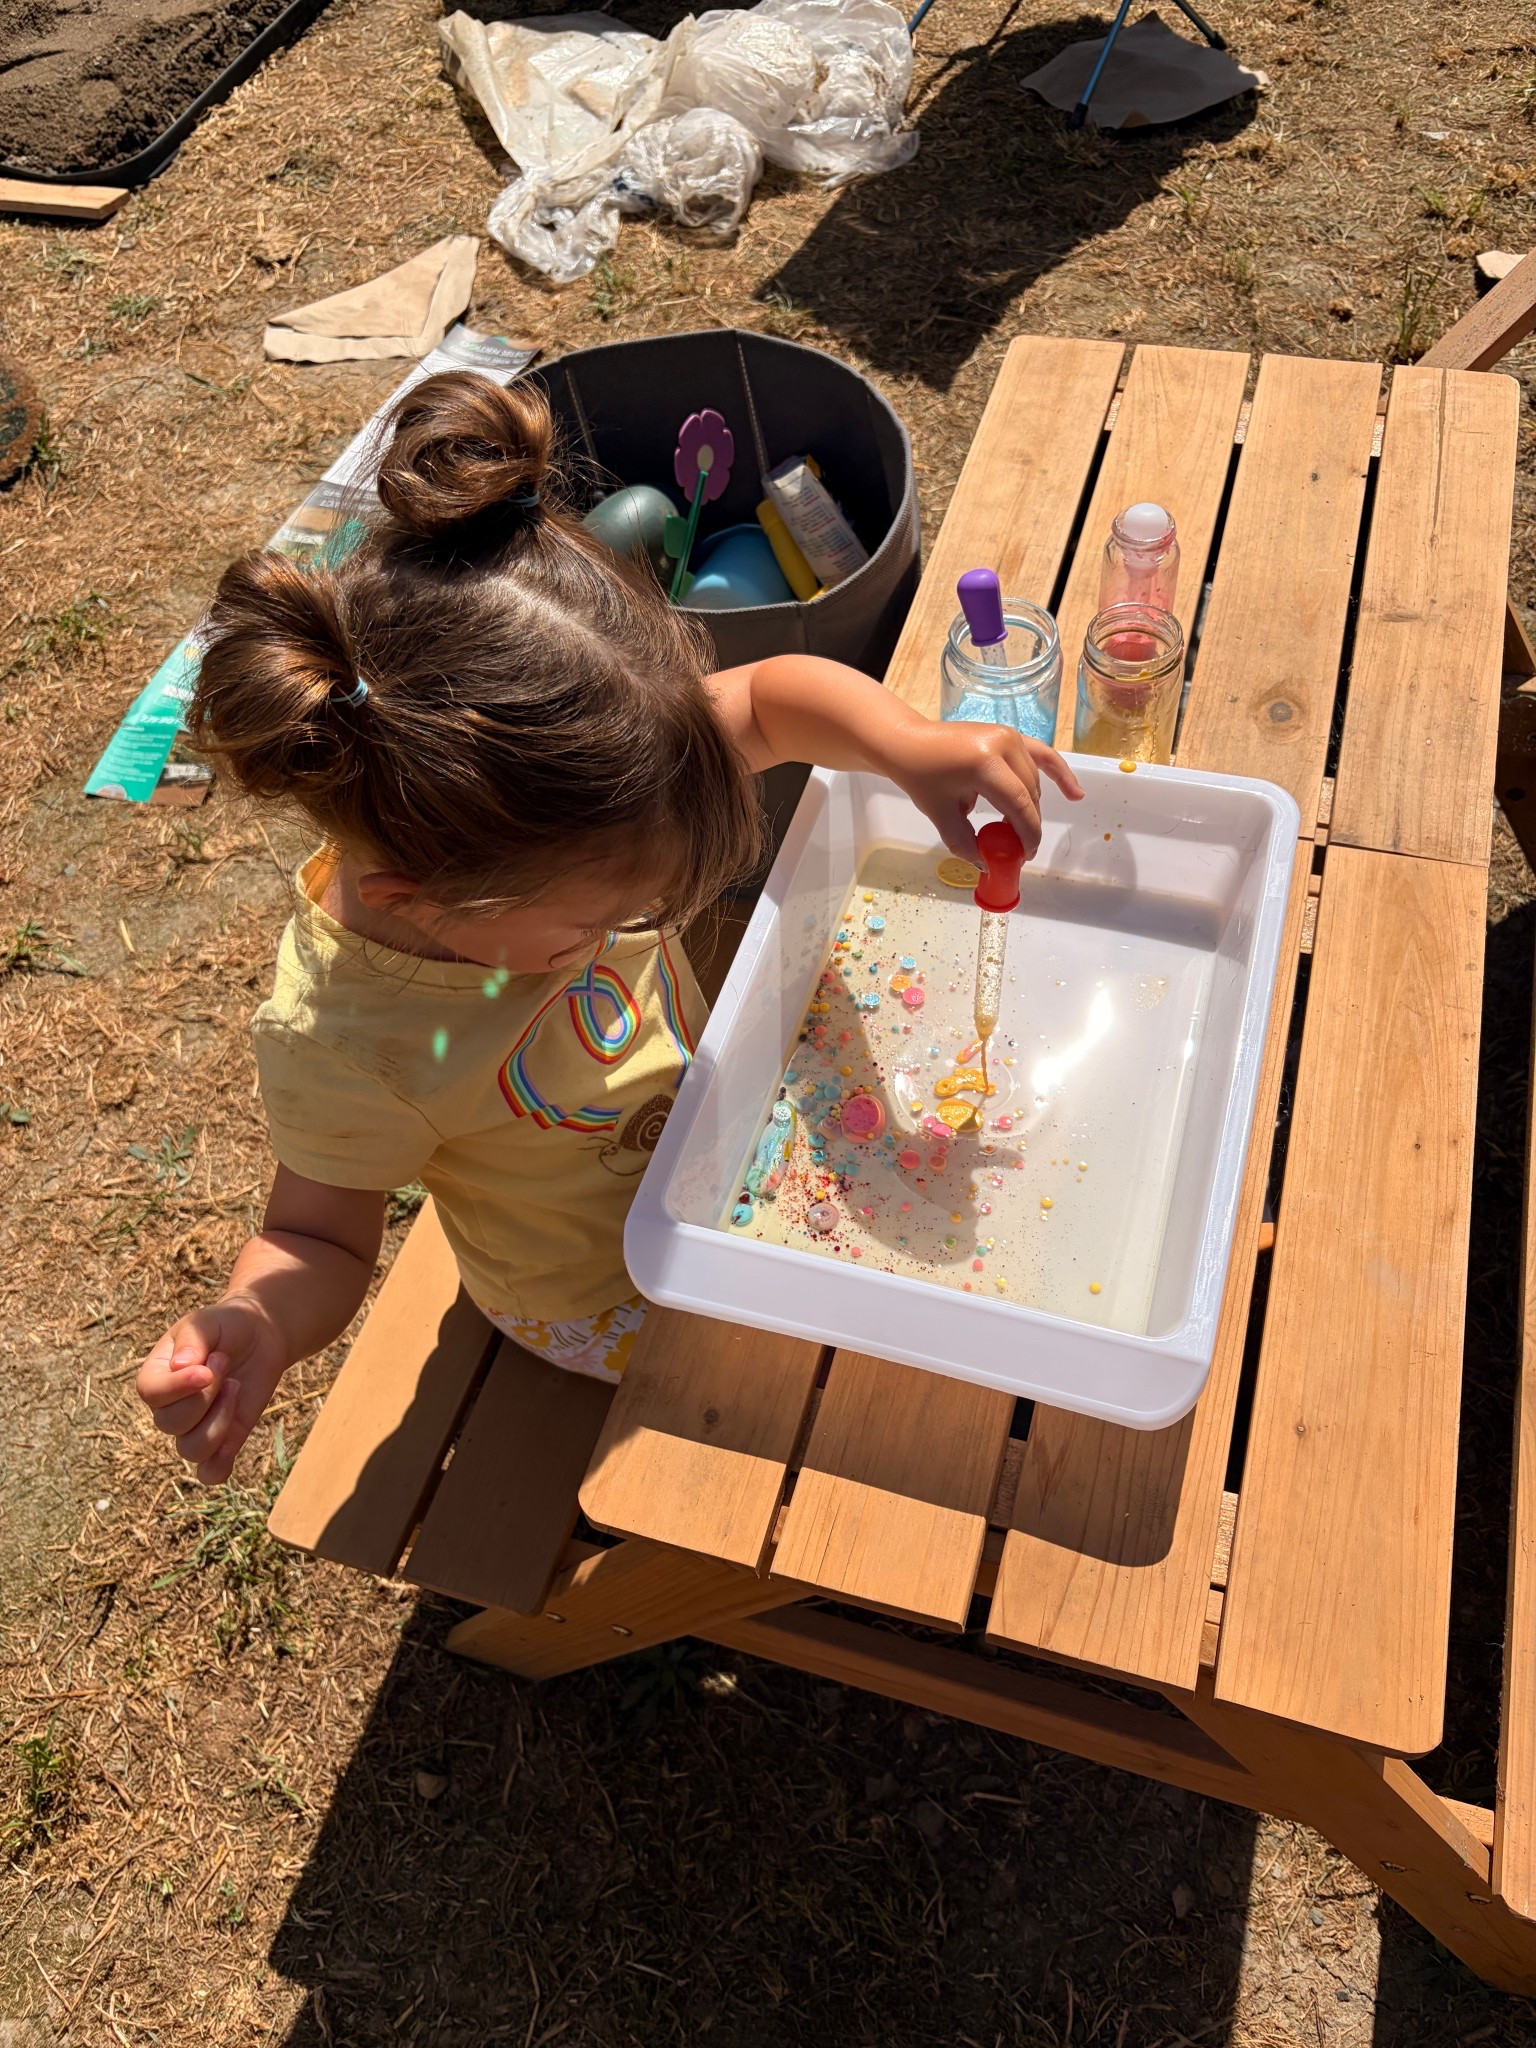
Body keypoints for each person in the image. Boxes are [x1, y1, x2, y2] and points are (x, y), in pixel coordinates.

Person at [135, 370, 1081, 1485]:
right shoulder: (348, 1046)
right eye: (601, 920)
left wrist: (908, 743)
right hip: (600, 1292)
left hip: (717, 1127)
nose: (639, 922)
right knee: (880, 1417)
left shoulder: (588, 790)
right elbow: (318, 1238)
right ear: (422, 902)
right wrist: (259, 1317)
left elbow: (772, 697)